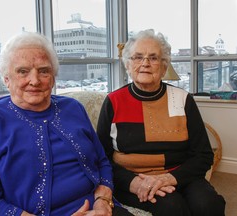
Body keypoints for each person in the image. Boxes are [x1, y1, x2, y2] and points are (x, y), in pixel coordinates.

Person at [0, 32, 133, 216]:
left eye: (44, 71)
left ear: (53, 77)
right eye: (23, 71)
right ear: (6, 78)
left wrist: (103, 200)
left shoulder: (73, 108)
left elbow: (102, 161)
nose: (35, 80)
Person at [97, 29, 226, 216]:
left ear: (164, 67)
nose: (145, 64)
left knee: (208, 204)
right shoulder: (113, 101)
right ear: (127, 65)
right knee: (171, 206)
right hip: (132, 180)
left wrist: (170, 178)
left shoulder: (183, 99)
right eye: (138, 57)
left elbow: (203, 155)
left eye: (153, 58)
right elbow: (101, 157)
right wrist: (134, 182)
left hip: (180, 175)